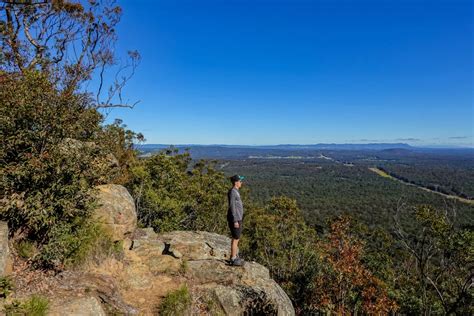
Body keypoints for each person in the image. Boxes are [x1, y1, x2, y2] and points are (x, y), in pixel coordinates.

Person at [227, 174, 245, 266]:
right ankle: (233, 259)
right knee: (236, 238)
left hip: (238, 218)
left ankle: (233, 256)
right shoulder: (233, 192)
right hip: (235, 219)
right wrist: (235, 220)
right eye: (240, 181)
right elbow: (232, 207)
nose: (241, 182)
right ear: (236, 182)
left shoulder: (235, 191)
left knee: (236, 238)